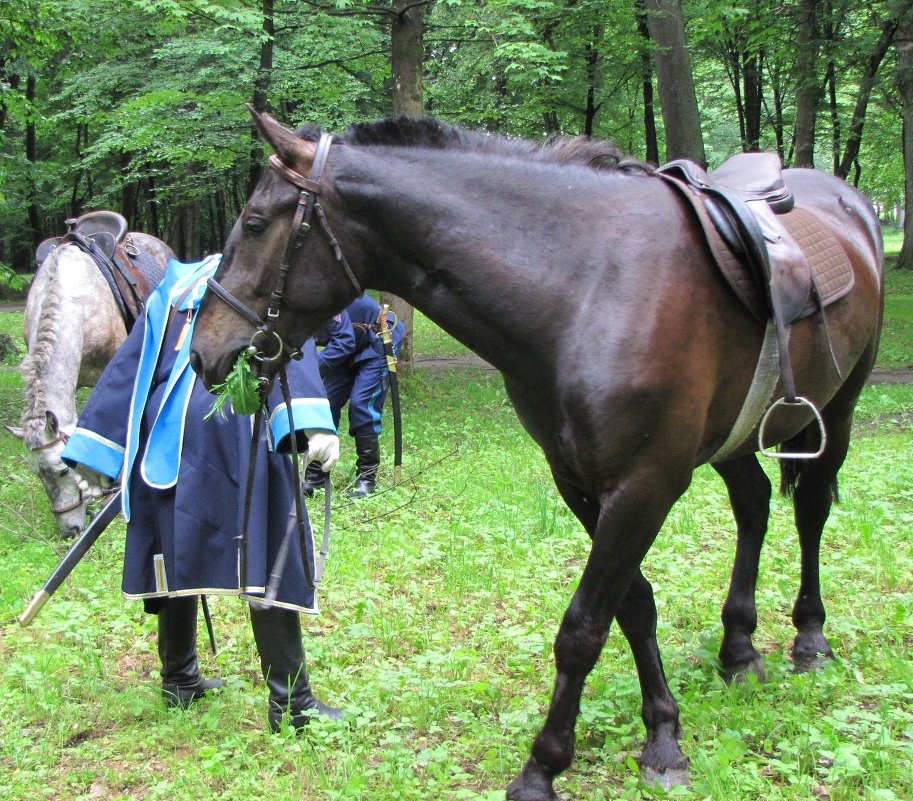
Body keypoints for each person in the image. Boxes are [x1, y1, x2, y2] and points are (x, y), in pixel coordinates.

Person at [61, 254, 342, 732]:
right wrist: (309, 421)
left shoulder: (169, 290)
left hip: (161, 438)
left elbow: (131, 369)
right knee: (265, 549)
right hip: (234, 430)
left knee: (171, 553)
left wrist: (97, 448)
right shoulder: (261, 283)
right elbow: (287, 348)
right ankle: (292, 706)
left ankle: (180, 680)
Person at [303, 294, 404, 498]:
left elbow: (345, 341)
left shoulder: (324, 297)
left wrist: (312, 370)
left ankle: (367, 477)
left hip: (378, 339)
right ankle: (315, 477)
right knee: (325, 402)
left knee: (361, 404)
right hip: (348, 344)